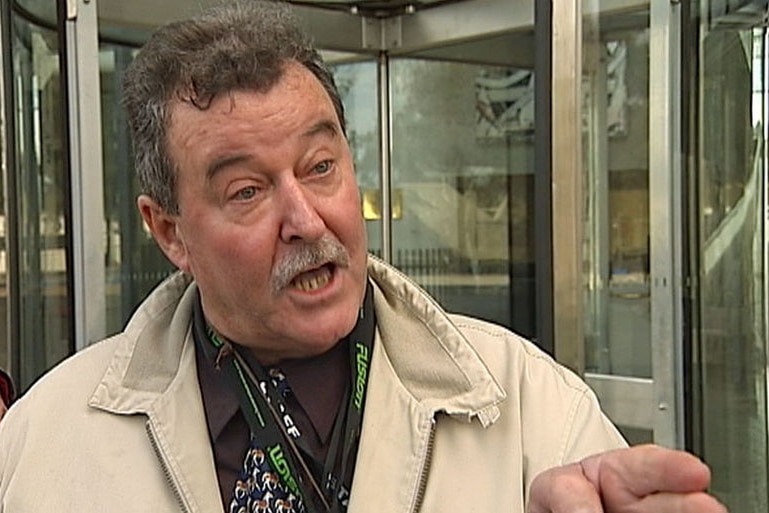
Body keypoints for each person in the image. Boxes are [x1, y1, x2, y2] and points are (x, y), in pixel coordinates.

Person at [0, 2, 726, 512]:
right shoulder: (39, 446)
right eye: (248, 190)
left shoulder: (538, 414)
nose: (305, 218)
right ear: (170, 233)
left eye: (320, 167)